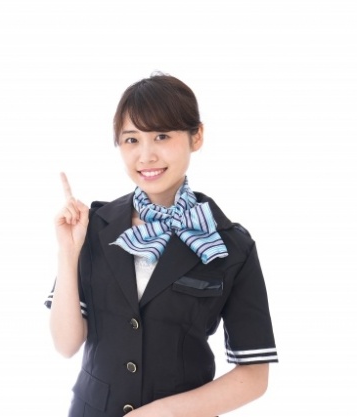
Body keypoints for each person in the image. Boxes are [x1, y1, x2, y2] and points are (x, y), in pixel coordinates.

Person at [45, 72, 278, 417]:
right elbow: (65, 345)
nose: (146, 155)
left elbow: (254, 376)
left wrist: (165, 412)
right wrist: (68, 252)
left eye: (162, 136)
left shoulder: (230, 244)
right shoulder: (94, 228)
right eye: (131, 140)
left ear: (196, 136)